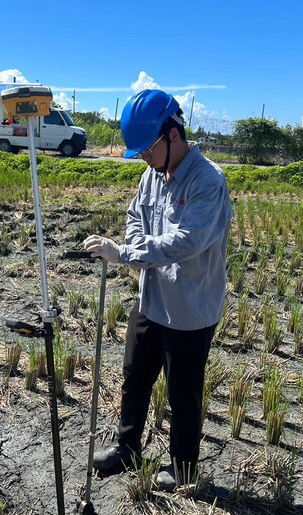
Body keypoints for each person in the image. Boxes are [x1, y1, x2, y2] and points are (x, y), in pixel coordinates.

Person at [83, 89, 233, 492]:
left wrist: (127, 253)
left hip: (189, 307)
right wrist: (132, 247)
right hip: (152, 298)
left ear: (172, 134)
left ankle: (184, 467)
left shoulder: (208, 182)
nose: (143, 157)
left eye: (147, 148)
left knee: (182, 392)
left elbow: (187, 241)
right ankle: (127, 447)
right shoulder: (151, 174)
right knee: (134, 374)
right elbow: (136, 215)